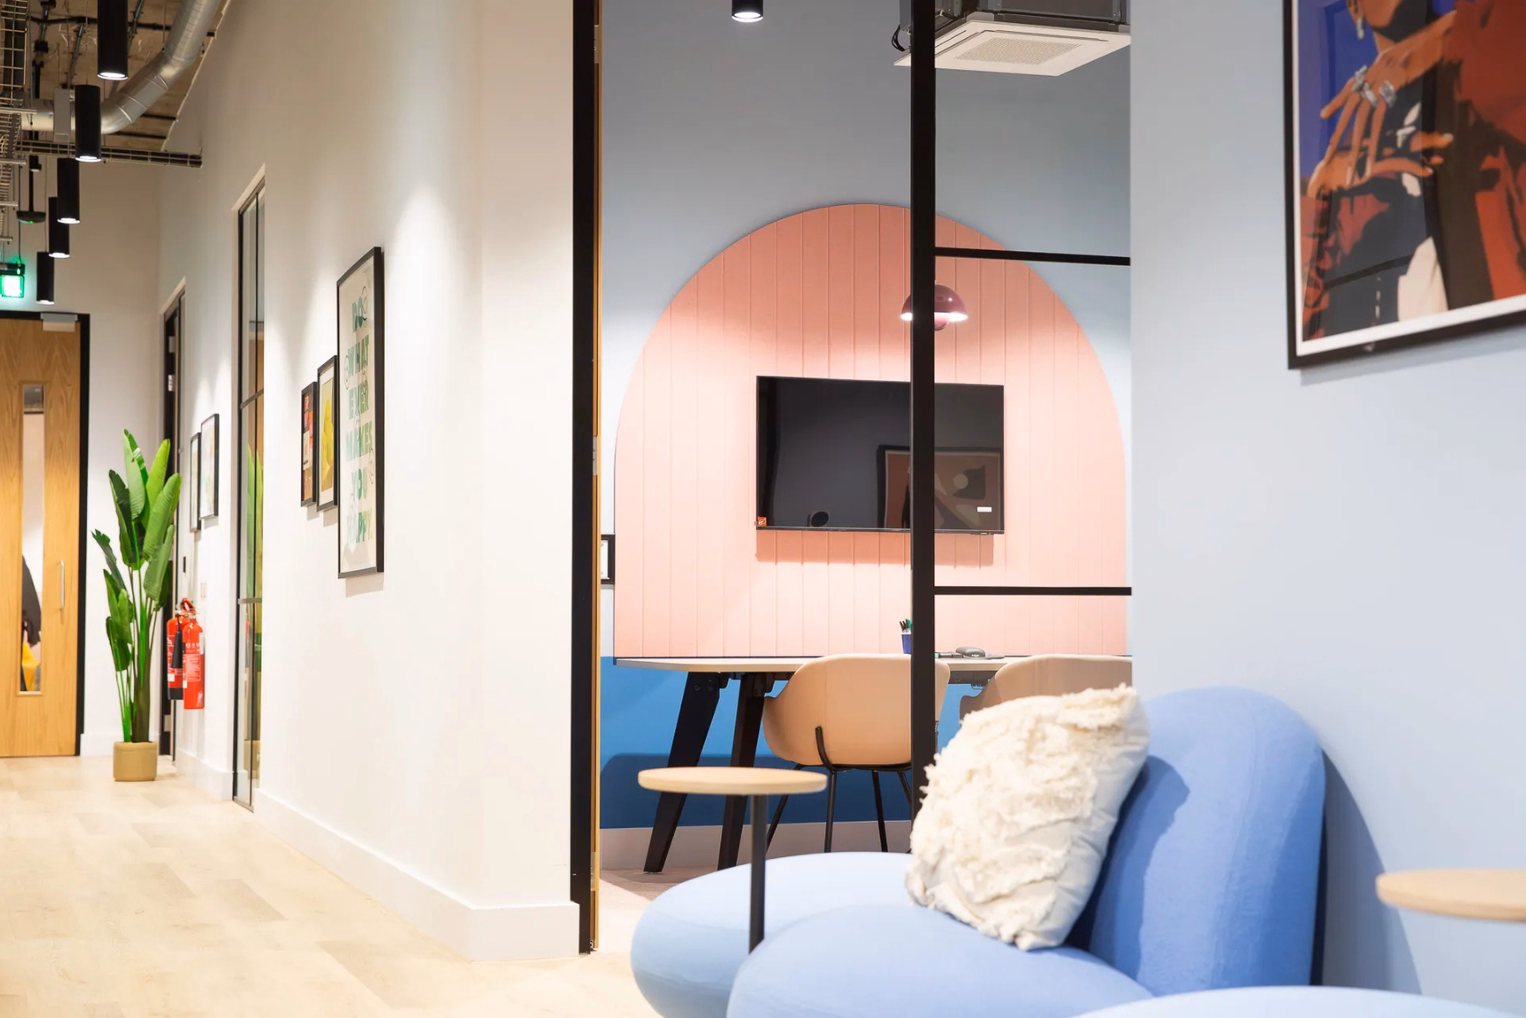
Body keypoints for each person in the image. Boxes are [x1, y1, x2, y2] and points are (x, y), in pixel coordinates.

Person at [1302, 0, 1526, 340]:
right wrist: (1343, 182)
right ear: (1354, 8)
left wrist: (1447, 35)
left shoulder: (1479, 55)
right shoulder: (1355, 138)